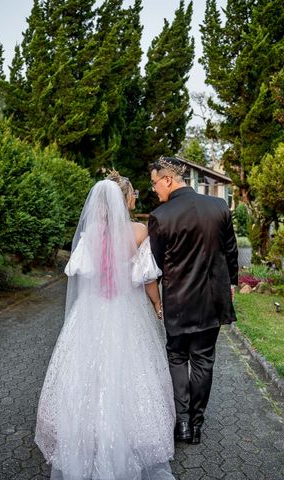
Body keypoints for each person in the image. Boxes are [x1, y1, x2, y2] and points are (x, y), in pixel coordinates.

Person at [35, 173, 175, 480]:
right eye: (134, 194)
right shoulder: (139, 231)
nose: (136, 198)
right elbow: (148, 277)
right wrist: (155, 304)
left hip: (92, 309)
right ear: (124, 199)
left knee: (87, 369)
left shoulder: (92, 233)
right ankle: (128, 439)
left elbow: (80, 272)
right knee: (130, 369)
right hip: (128, 310)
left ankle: (85, 434)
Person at [148, 156, 238, 445]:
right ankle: (197, 426)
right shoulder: (219, 207)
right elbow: (231, 252)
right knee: (203, 361)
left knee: (177, 358)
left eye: (154, 183)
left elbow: (157, 264)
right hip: (213, 301)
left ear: (168, 179)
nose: (154, 190)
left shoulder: (161, 217)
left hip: (178, 302)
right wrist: (232, 283)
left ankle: (183, 423)